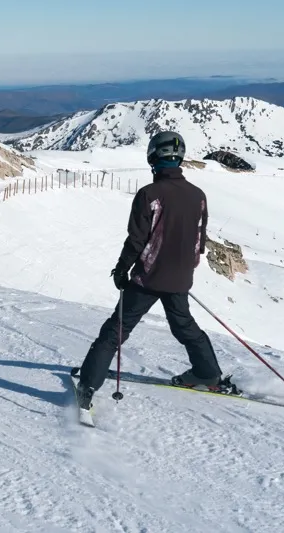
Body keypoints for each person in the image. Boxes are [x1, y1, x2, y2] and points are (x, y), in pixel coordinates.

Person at [75, 131, 222, 410]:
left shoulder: (149, 194)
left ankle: (88, 385)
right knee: (184, 326)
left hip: (148, 278)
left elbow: (136, 239)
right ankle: (208, 373)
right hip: (180, 278)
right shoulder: (198, 195)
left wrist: (122, 269)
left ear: (153, 157)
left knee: (116, 330)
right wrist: (182, 271)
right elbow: (199, 241)